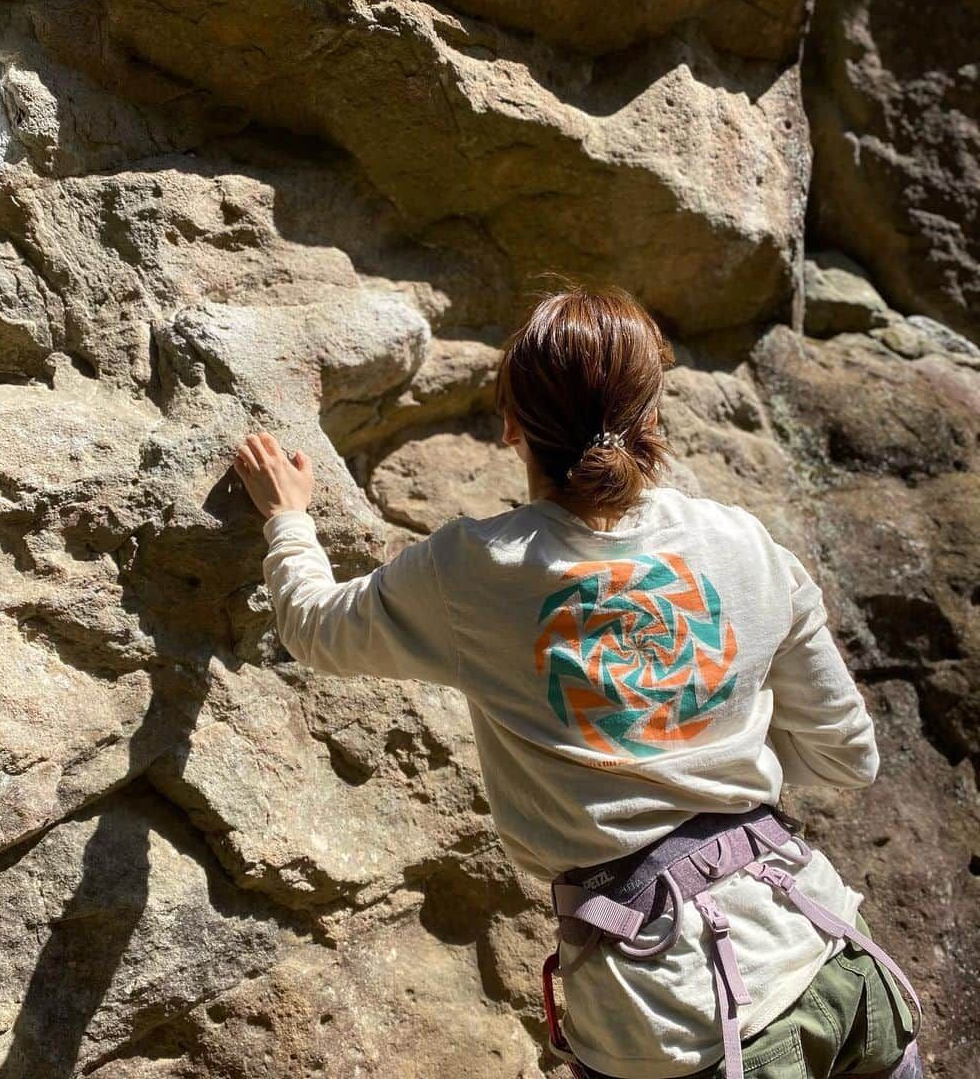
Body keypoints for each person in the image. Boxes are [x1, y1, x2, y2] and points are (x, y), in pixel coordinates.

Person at [232, 285, 922, 1079]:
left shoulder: (475, 571)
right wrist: (708, 759)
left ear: (511, 426)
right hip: (835, 961)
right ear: (652, 418)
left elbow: (316, 627)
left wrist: (287, 518)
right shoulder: (746, 544)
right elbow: (847, 760)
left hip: (677, 1022)